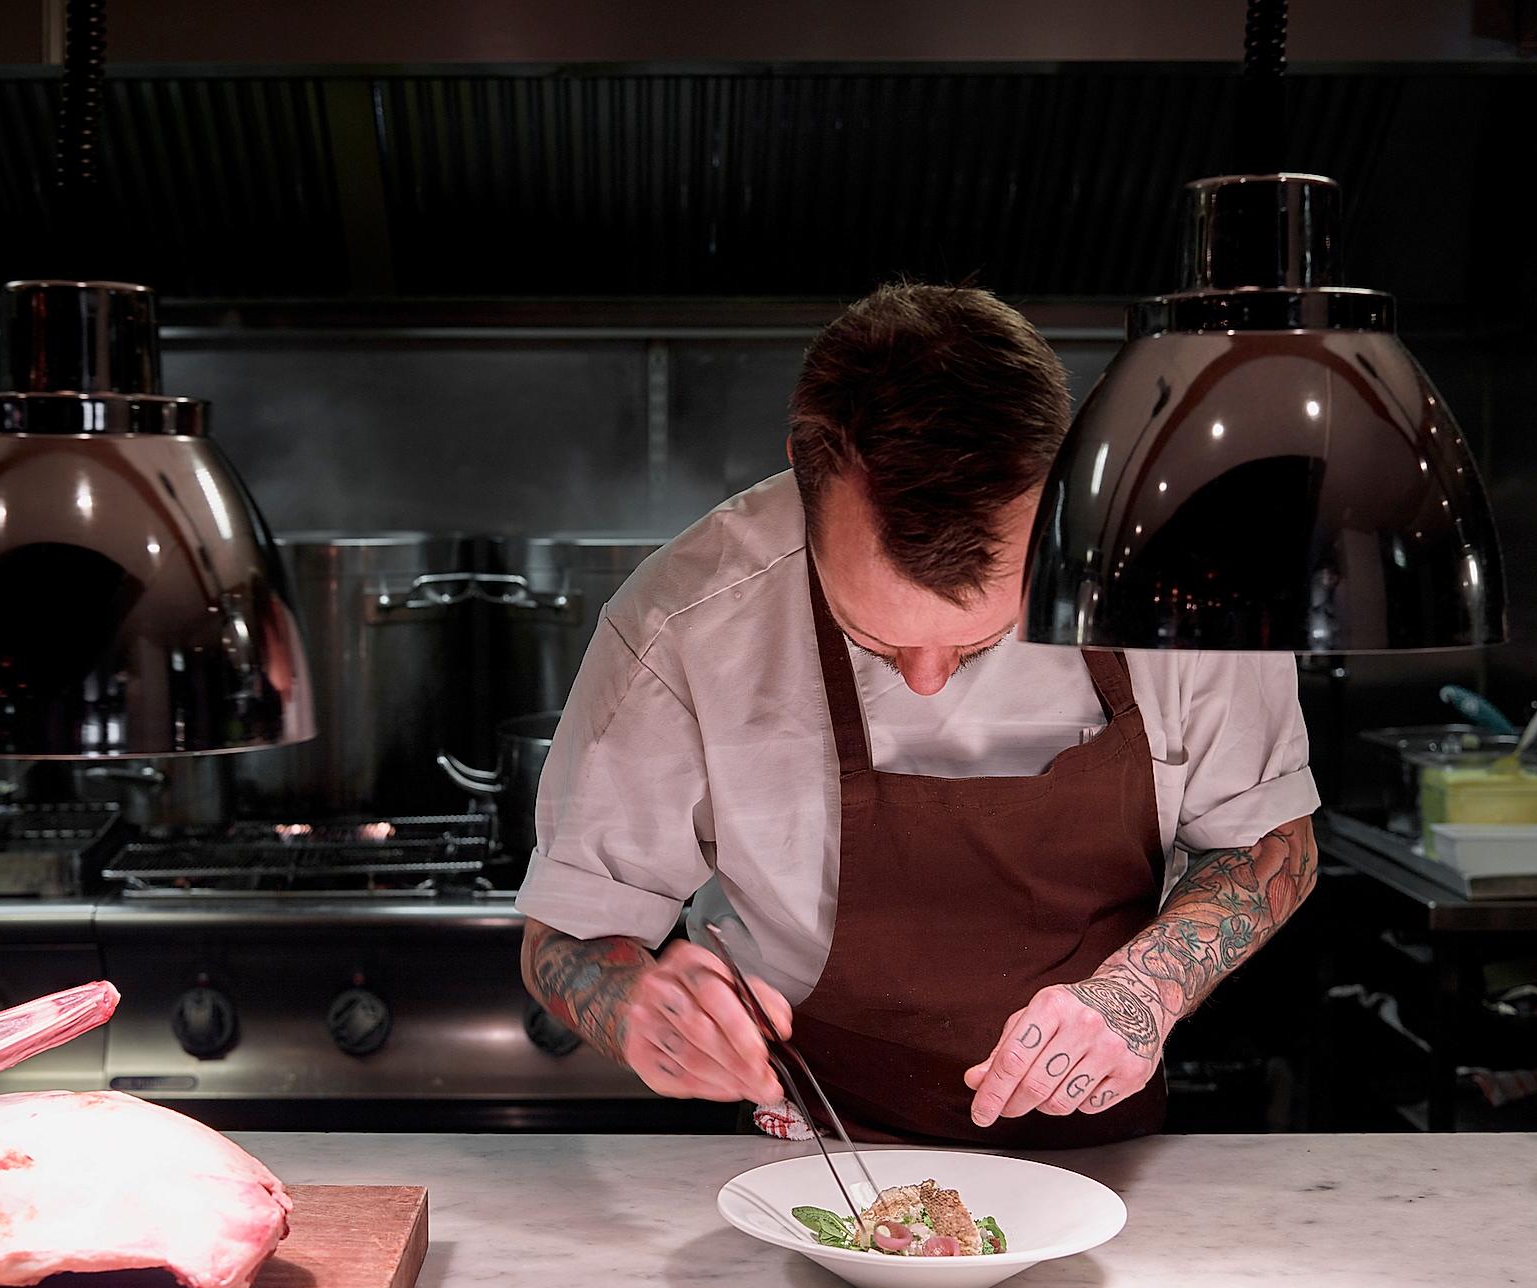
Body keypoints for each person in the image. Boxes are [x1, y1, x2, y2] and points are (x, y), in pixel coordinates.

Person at [515, 282, 1319, 1147]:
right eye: (875, 640)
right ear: (802, 471)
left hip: (1110, 1162)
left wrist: (1141, 993)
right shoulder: (687, 623)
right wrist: (638, 1007)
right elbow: (564, 938)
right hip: (812, 1159)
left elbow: (1273, 844)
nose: (929, 683)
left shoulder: (1177, 581)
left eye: (978, 641)